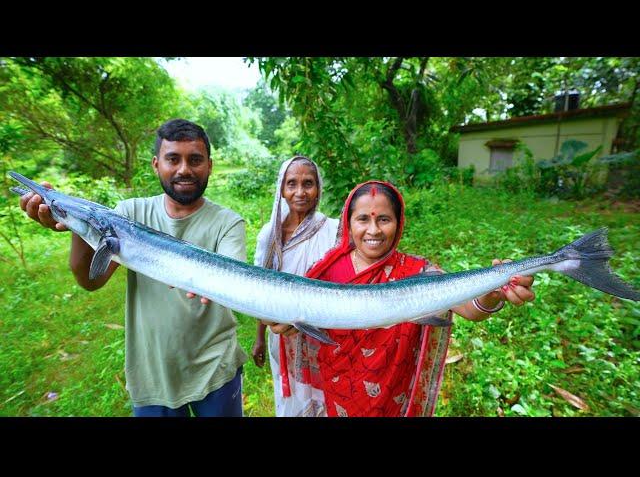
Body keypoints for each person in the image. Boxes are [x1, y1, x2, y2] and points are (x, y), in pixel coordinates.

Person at [18, 118, 248, 417]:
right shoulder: (129, 213)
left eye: (195, 160)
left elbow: (236, 278)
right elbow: (91, 281)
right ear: (156, 164)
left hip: (217, 368)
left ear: (209, 165)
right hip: (151, 372)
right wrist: (74, 225)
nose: (183, 169)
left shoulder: (228, 221)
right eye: (172, 159)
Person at [267, 180, 535, 417]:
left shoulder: (417, 273)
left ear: (399, 222)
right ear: (348, 223)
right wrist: (286, 324)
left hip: (393, 396)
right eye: (363, 219)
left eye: (384, 219)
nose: (373, 230)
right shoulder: (324, 271)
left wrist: (492, 294)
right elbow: (301, 320)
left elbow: (471, 308)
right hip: (338, 392)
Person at [252, 156, 339, 417]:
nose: (300, 192)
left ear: (318, 189)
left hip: (321, 336)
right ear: (281, 189)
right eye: (292, 184)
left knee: (325, 401)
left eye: (308, 183)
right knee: (291, 404)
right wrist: (258, 337)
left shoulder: (332, 230)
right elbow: (260, 289)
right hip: (282, 338)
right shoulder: (270, 234)